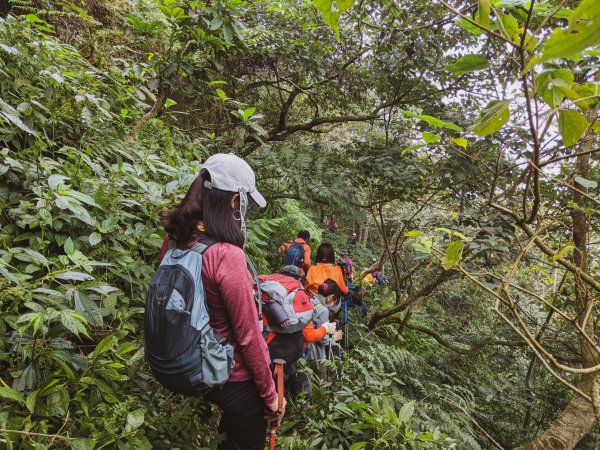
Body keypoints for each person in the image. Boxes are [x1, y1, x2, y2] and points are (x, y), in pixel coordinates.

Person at [158, 153, 284, 450]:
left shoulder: (175, 240)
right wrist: (270, 396)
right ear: (231, 203)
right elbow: (248, 336)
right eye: (244, 205)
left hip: (174, 361)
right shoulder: (226, 255)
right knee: (250, 408)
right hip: (220, 373)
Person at [267, 265, 338, 401]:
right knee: (303, 388)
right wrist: (326, 329)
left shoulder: (270, 292)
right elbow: (309, 335)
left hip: (265, 347)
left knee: (277, 387)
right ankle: (299, 414)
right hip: (289, 352)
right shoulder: (298, 299)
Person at [304, 279, 344, 378]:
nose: (334, 303)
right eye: (335, 300)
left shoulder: (310, 300)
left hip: (304, 351)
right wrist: (335, 337)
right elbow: (322, 339)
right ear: (331, 296)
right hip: (316, 356)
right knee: (320, 386)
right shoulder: (323, 310)